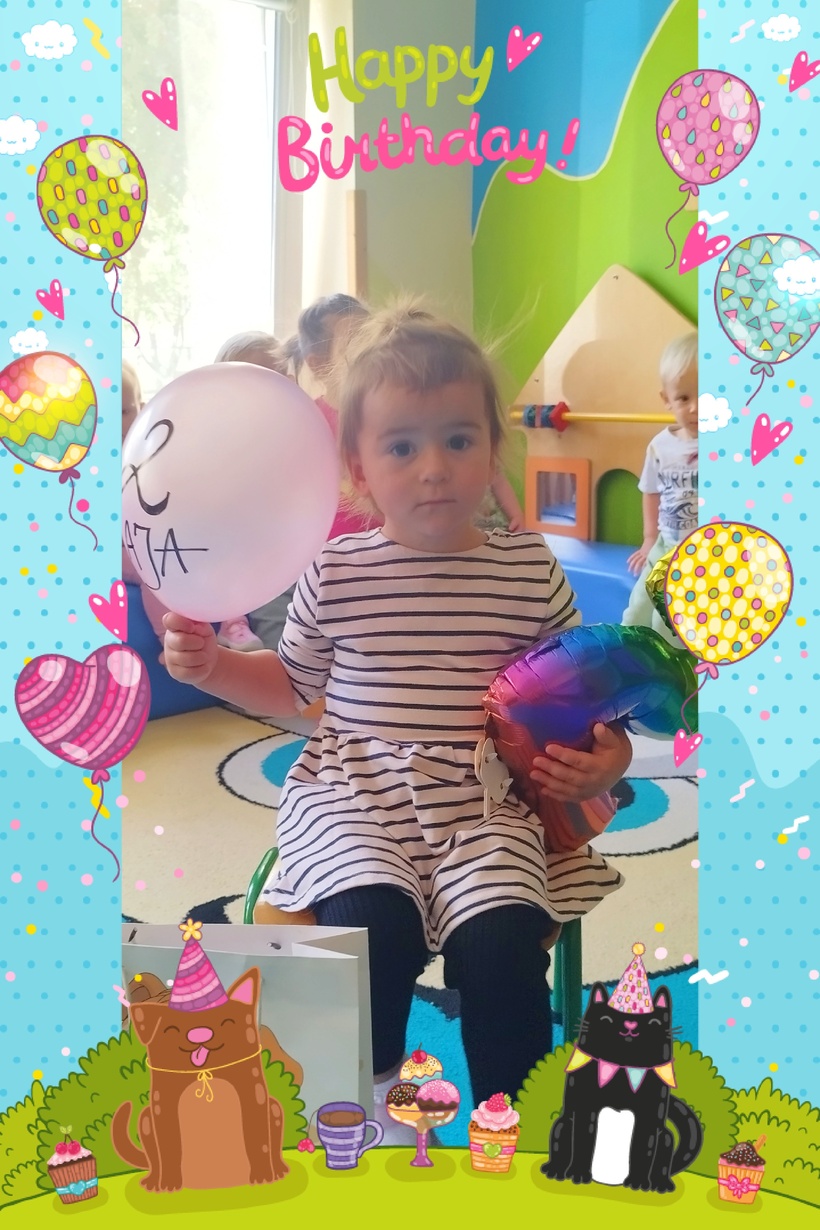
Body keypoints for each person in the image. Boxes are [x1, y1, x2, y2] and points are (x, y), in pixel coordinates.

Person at [160, 306, 632, 1129]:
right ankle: (371, 1102)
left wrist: (610, 758)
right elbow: (293, 686)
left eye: (458, 439)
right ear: (358, 466)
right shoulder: (336, 569)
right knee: (369, 925)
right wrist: (215, 669)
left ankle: (509, 1124)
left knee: (501, 944)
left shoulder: (528, 569)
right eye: (403, 447)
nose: (434, 468)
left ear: (493, 446)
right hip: (355, 795)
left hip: (483, 806)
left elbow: (581, 698)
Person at [622, 332, 698, 644]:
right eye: (684, 398)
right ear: (667, 399)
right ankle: (628, 649)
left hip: (700, 554)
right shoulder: (660, 445)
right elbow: (650, 490)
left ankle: (670, 663)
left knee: (667, 624)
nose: (695, 408)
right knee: (637, 608)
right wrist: (649, 538)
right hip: (665, 544)